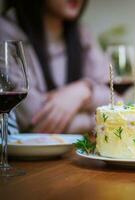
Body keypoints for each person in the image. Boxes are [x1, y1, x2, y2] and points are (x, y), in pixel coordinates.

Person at [0, 0, 113, 133]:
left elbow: (114, 97)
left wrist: (83, 92)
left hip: (71, 152)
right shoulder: (5, 31)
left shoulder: (82, 34)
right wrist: (98, 122)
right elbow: (36, 121)